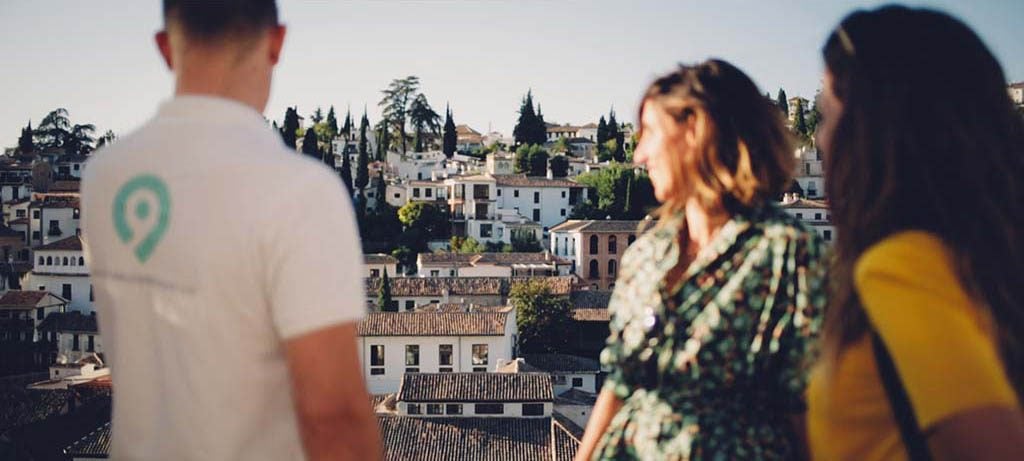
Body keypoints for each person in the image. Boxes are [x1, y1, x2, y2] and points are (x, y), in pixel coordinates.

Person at [80, 1, 381, 459]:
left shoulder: (104, 176)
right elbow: (333, 414)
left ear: (164, 48)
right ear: (277, 42)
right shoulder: (300, 191)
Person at [575, 59, 828, 460]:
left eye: (650, 134)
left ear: (695, 130)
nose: (639, 155)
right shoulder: (645, 254)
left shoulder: (786, 253)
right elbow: (619, 384)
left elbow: (805, 407)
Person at [807, 5, 1024, 461]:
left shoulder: (899, 265)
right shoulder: (977, 256)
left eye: (827, 114)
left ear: (870, 128)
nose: (821, 140)